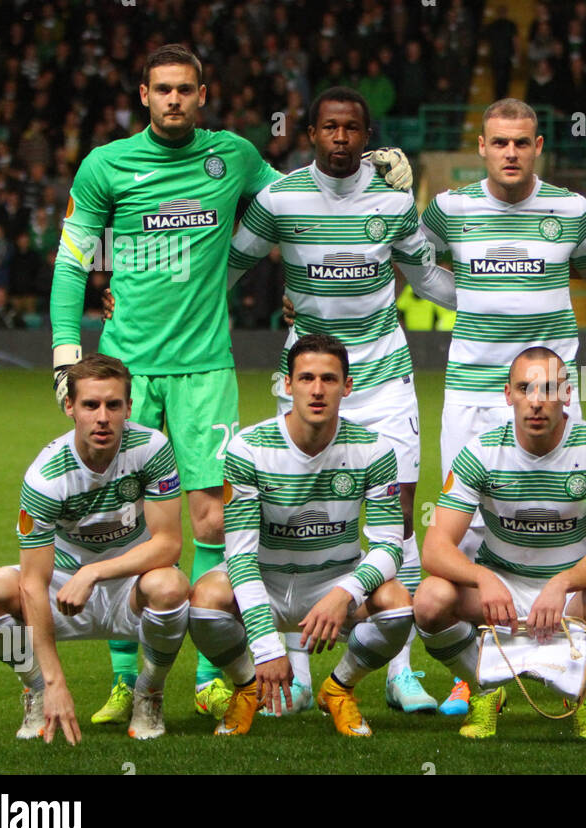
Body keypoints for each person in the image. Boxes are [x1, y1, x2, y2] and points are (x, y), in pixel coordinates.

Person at [53, 45, 411, 723]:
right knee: (126, 523)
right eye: (163, 89)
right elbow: (72, 263)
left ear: (203, 94)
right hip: (128, 368)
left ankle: (219, 676)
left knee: (214, 517)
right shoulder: (106, 166)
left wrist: (368, 187)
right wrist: (66, 355)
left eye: (186, 89)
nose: (175, 100)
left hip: (206, 368)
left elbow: (301, 205)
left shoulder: (234, 158)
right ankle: (128, 679)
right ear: (144, 94)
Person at [229, 87, 454, 715]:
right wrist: (151, 303)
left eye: (351, 128)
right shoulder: (279, 200)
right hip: (308, 379)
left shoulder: (392, 202)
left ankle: (397, 673)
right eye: (328, 127)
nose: (339, 138)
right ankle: (298, 670)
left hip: (382, 379)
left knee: (399, 520)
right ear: (310, 133)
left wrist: (505, 296)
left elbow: (429, 277)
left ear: (366, 136)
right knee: (292, 513)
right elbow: (228, 266)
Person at [419, 98, 586, 713]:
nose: (511, 153)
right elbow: (410, 260)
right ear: (483, 149)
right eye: (499, 143)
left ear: (539, 146)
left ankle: (571, 662)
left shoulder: (570, 210)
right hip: (470, 390)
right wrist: (456, 296)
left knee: (567, 522)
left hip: (551, 388)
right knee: (459, 546)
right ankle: (483, 680)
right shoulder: (450, 209)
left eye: (522, 143)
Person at [186, 334, 412, 737]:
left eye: (329, 379)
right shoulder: (249, 448)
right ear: (287, 385)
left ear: (347, 386)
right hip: (266, 580)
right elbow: (238, 556)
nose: (317, 389)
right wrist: (267, 648)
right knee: (204, 601)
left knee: (398, 604)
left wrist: (345, 593)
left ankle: (339, 689)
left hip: (334, 583)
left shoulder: (375, 449)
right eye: (306, 378)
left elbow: (389, 545)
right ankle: (247, 687)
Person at [0, 354, 191, 743]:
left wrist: (95, 572)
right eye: (90, 405)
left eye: (113, 405)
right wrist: (53, 681)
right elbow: (33, 583)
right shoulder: (46, 477)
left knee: (171, 586)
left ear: (128, 408)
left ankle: (149, 691)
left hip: (128, 585)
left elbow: (168, 544)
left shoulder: (152, 448)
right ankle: (35, 689)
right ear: (70, 407)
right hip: (62, 590)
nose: (102, 417)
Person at [415, 346, 586, 740]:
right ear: (508, 395)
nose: (536, 402)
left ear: (568, 394)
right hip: (500, 589)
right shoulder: (480, 452)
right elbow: (434, 549)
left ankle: (583, 692)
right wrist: (483, 578)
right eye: (524, 388)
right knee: (430, 600)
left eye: (548, 389)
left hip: (570, 594)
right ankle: (486, 689)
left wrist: (561, 583)